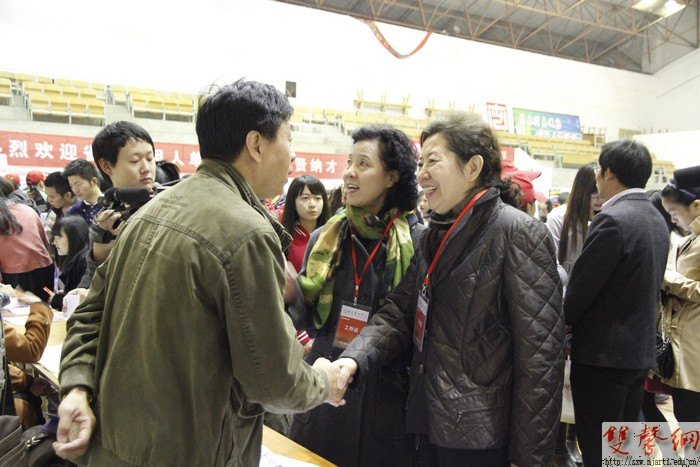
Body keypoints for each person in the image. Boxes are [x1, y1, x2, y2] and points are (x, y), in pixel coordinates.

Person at [55, 79, 345, 466]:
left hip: (115, 446)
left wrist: (76, 386)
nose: (293, 155)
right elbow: (274, 381)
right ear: (256, 145)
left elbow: (89, 314)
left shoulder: (153, 210)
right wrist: (324, 381)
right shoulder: (246, 232)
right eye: (288, 139)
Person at [335, 113, 565, 466]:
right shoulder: (433, 235)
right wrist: (353, 358)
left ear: (472, 167)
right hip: (429, 424)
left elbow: (541, 357)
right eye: (420, 163)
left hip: (483, 440)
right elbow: (399, 312)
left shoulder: (517, 233)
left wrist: (529, 457)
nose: (421, 174)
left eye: (433, 161)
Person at [288, 125, 424, 467]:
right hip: (324, 393)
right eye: (349, 162)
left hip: (383, 403)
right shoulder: (326, 237)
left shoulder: (416, 242)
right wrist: (291, 297)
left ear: (392, 177)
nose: (349, 172)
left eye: (363, 164)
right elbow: (308, 318)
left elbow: (402, 321)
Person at [564, 140, 670, 466]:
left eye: (598, 168)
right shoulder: (656, 217)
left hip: (602, 356)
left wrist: (563, 322)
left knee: (598, 447)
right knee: (622, 446)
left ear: (608, 172)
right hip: (637, 352)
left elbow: (581, 289)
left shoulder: (612, 218)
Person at [659, 165, 700, 422]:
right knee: (685, 416)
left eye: (674, 212)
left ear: (695, 206)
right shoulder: (690, 238)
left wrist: (668, 279)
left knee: (691, 418)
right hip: (684, 343)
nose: (672, 220)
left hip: (694, 347)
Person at [546, 163, 603, 278]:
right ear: (581, 190)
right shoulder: (558, 218)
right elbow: (550, 263)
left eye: (601, 190)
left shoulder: (606, 219)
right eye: (594, 191)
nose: (599, 197)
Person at [0, 192, 54, 301]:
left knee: (20, 307)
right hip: (44, 268)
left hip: (15, 274)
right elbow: (44, 240)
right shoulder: (26, 209)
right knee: (46, 303)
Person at [282, 174, 331, 273]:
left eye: (317, 198)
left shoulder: (333, 234)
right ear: (293, 203)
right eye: (305, 198)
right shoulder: (284, 238)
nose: (312, 204)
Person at [50, 216, 89, 310]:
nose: (54, 242)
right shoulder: (76, 259)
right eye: (54, 238)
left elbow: (78, 300)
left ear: (74, 237)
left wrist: (59, 299)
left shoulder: (84, 261)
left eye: (59, 237)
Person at [43, 171, 79, 246]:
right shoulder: (54, 212)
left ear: (68, 195)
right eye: (47, 196)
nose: (49, 200)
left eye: (52, 197)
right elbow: (46, 237)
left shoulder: (82, 212)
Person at [63, 159, 103, 225]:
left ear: (93, 181)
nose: (75, 190)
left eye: (78, 184)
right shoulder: (72, 212)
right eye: (71, 186)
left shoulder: (111, 205)